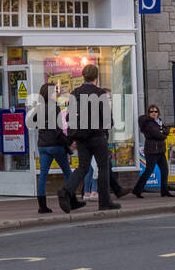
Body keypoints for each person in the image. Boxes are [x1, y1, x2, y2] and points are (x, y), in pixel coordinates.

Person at [57, 64, 121, 213]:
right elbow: (107, 119)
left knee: (83, 167)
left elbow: (68, 116)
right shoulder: (99, 93)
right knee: (103, 166)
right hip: (97, 136)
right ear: (96, 77)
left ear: (83, 76)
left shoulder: (75, 93)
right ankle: (104, 201)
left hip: (81, 137)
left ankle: (66, 190)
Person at [27, 83, 77, 215]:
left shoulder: (39, 107)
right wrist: (69, 142)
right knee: (67, 172)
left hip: (43, 146)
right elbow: (58, 130)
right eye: (55, 91)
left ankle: (42, 206)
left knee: (43, 175)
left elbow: (32, 122)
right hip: (55, 145)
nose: (57, 93)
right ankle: (71, 200)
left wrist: (42, 127)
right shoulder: (54, 107)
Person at [133, 104, 175, 198]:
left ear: (158, 113)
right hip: (152, 150)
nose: (154, 113)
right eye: (151, 111)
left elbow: (167, 130)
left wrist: (163, 132)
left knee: (165, 170)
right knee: (149, 171)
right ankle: (137, 190)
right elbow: (157, 134)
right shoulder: (148, 123)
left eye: (155, 111)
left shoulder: (159, 122)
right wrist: (163, 134)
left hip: (160, 150)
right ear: (148, 113)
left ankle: (164, 191)